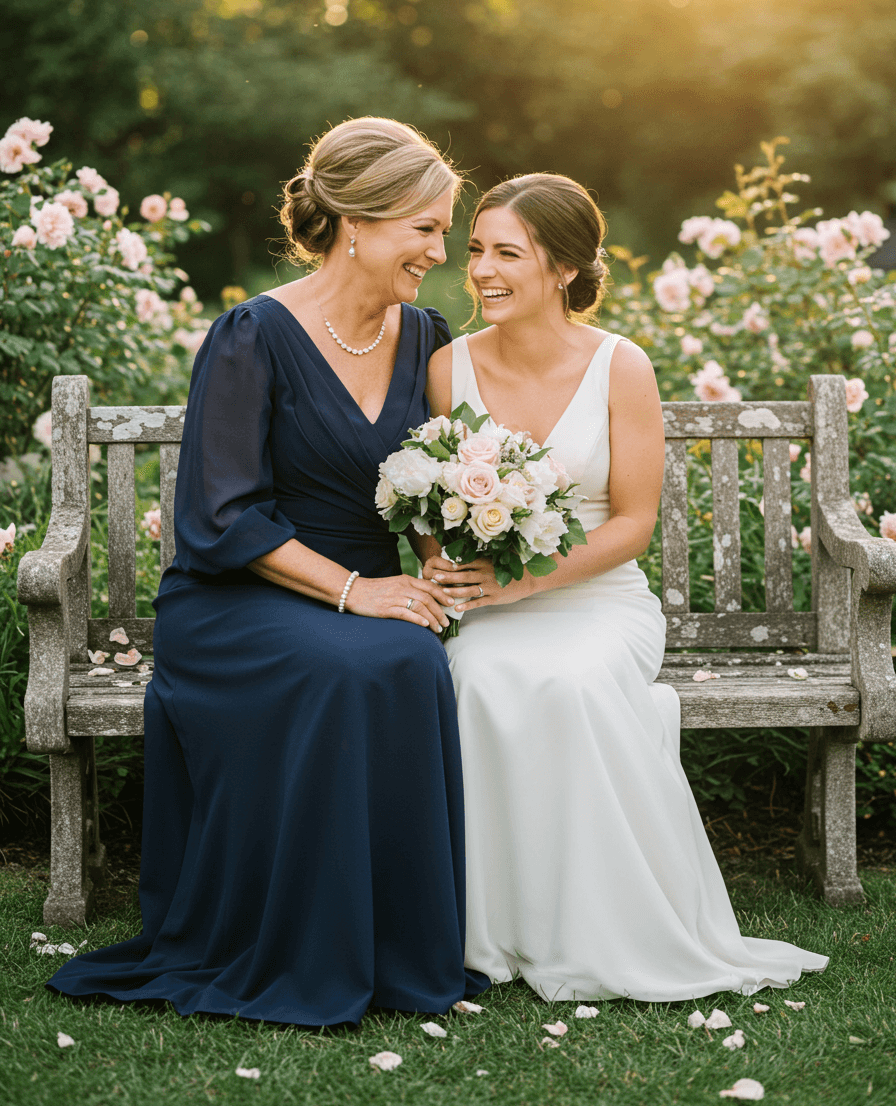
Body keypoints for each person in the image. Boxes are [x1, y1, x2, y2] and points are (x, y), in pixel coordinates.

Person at [49, 117, 488, 1026]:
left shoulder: (426, 336)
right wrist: (354, 591)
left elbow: (433, 482)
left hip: (368, 595)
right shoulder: (253, 333)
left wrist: (448, 558)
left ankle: (396, 951)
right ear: (359, 220)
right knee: (354, 664)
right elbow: (222, 515)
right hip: (241, 597)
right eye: (425, 228)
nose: (440, 252)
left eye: (444, 230)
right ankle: (291, 943)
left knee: (404, 661)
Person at [422, 173, 828, 1003]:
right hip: (490, 606)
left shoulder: (620, 364)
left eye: (509, 253)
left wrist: (519, 583)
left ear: (565, 267)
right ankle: (490, 933)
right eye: (476, 252)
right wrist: (451, 561)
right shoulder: (446, 367)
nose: (483, 271)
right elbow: (433, 501)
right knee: (474, 678)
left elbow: (633, 524)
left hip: (601, 602)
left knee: (569, 683)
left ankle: (596, 927)